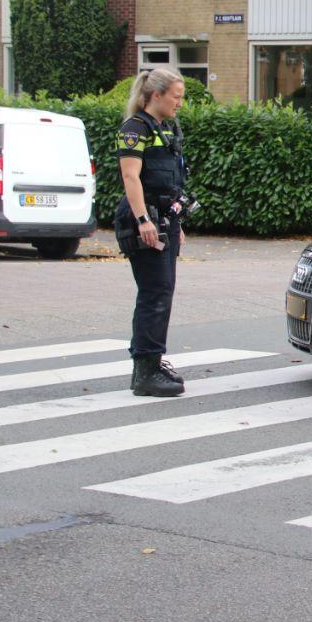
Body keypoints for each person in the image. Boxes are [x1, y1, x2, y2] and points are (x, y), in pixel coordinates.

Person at [116, 68, 189, 397]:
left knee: (163, 292)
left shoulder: (167, 128)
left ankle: (152, 362)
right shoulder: (135, 129)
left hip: (165, 220)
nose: (180, 103)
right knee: (154, 294)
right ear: (155, 95)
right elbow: (131, 178)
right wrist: (143, 219)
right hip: (144, 222)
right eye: (176, 97)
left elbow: (170, 179)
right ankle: (145, 369)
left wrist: (176, 223)